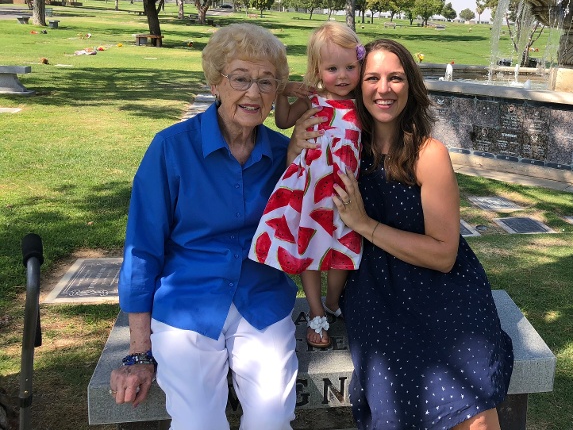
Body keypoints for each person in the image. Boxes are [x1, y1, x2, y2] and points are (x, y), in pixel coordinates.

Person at [111, 23, 320, 430]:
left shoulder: (284, 153)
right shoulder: (171, 148)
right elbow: (143, 249)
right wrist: (139, 351)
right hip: (187, 302)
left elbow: (311, 225)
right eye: (240, 78)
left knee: (273, 418)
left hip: (261, 300)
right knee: (197, 422)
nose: (254, 93)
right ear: (215, 82)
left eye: (266, 82)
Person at [331, 39, 514, 430]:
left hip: (442, 287)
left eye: (395, 78)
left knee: (476, 413)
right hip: (376, 288)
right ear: (357, 86)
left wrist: (364, 224)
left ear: (410, 86)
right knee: (398, 386)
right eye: (373, 78)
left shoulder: (428, 155)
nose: (384, 89)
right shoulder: (345, 148)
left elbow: (444, 254)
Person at [249, 21, 364, 349]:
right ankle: (316, 314)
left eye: (349, 67)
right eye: (332, 68)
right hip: (310, 189)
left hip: (345, 193)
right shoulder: (313, 98)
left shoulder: (364, 103)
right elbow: (283, 121)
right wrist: (285, 93)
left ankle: (332, 301)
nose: (342, 76)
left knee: (343, 251)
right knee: (311, 253)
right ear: (316, 69)